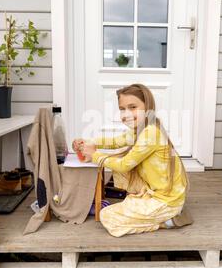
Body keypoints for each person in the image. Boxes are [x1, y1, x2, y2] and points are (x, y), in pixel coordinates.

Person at [72, 83, 192, 237]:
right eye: (122, 109)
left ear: (147, 107)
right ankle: (153, 209)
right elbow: (116, 141)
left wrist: (95, 155)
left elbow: (123, 166)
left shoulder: (150, 133)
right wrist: (88, 142)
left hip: (167, 200)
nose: (126, 114)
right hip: (157, 192)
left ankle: (168, 220)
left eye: (133, 107)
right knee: (121, 152)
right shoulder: (141, 129)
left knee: (107, 216)